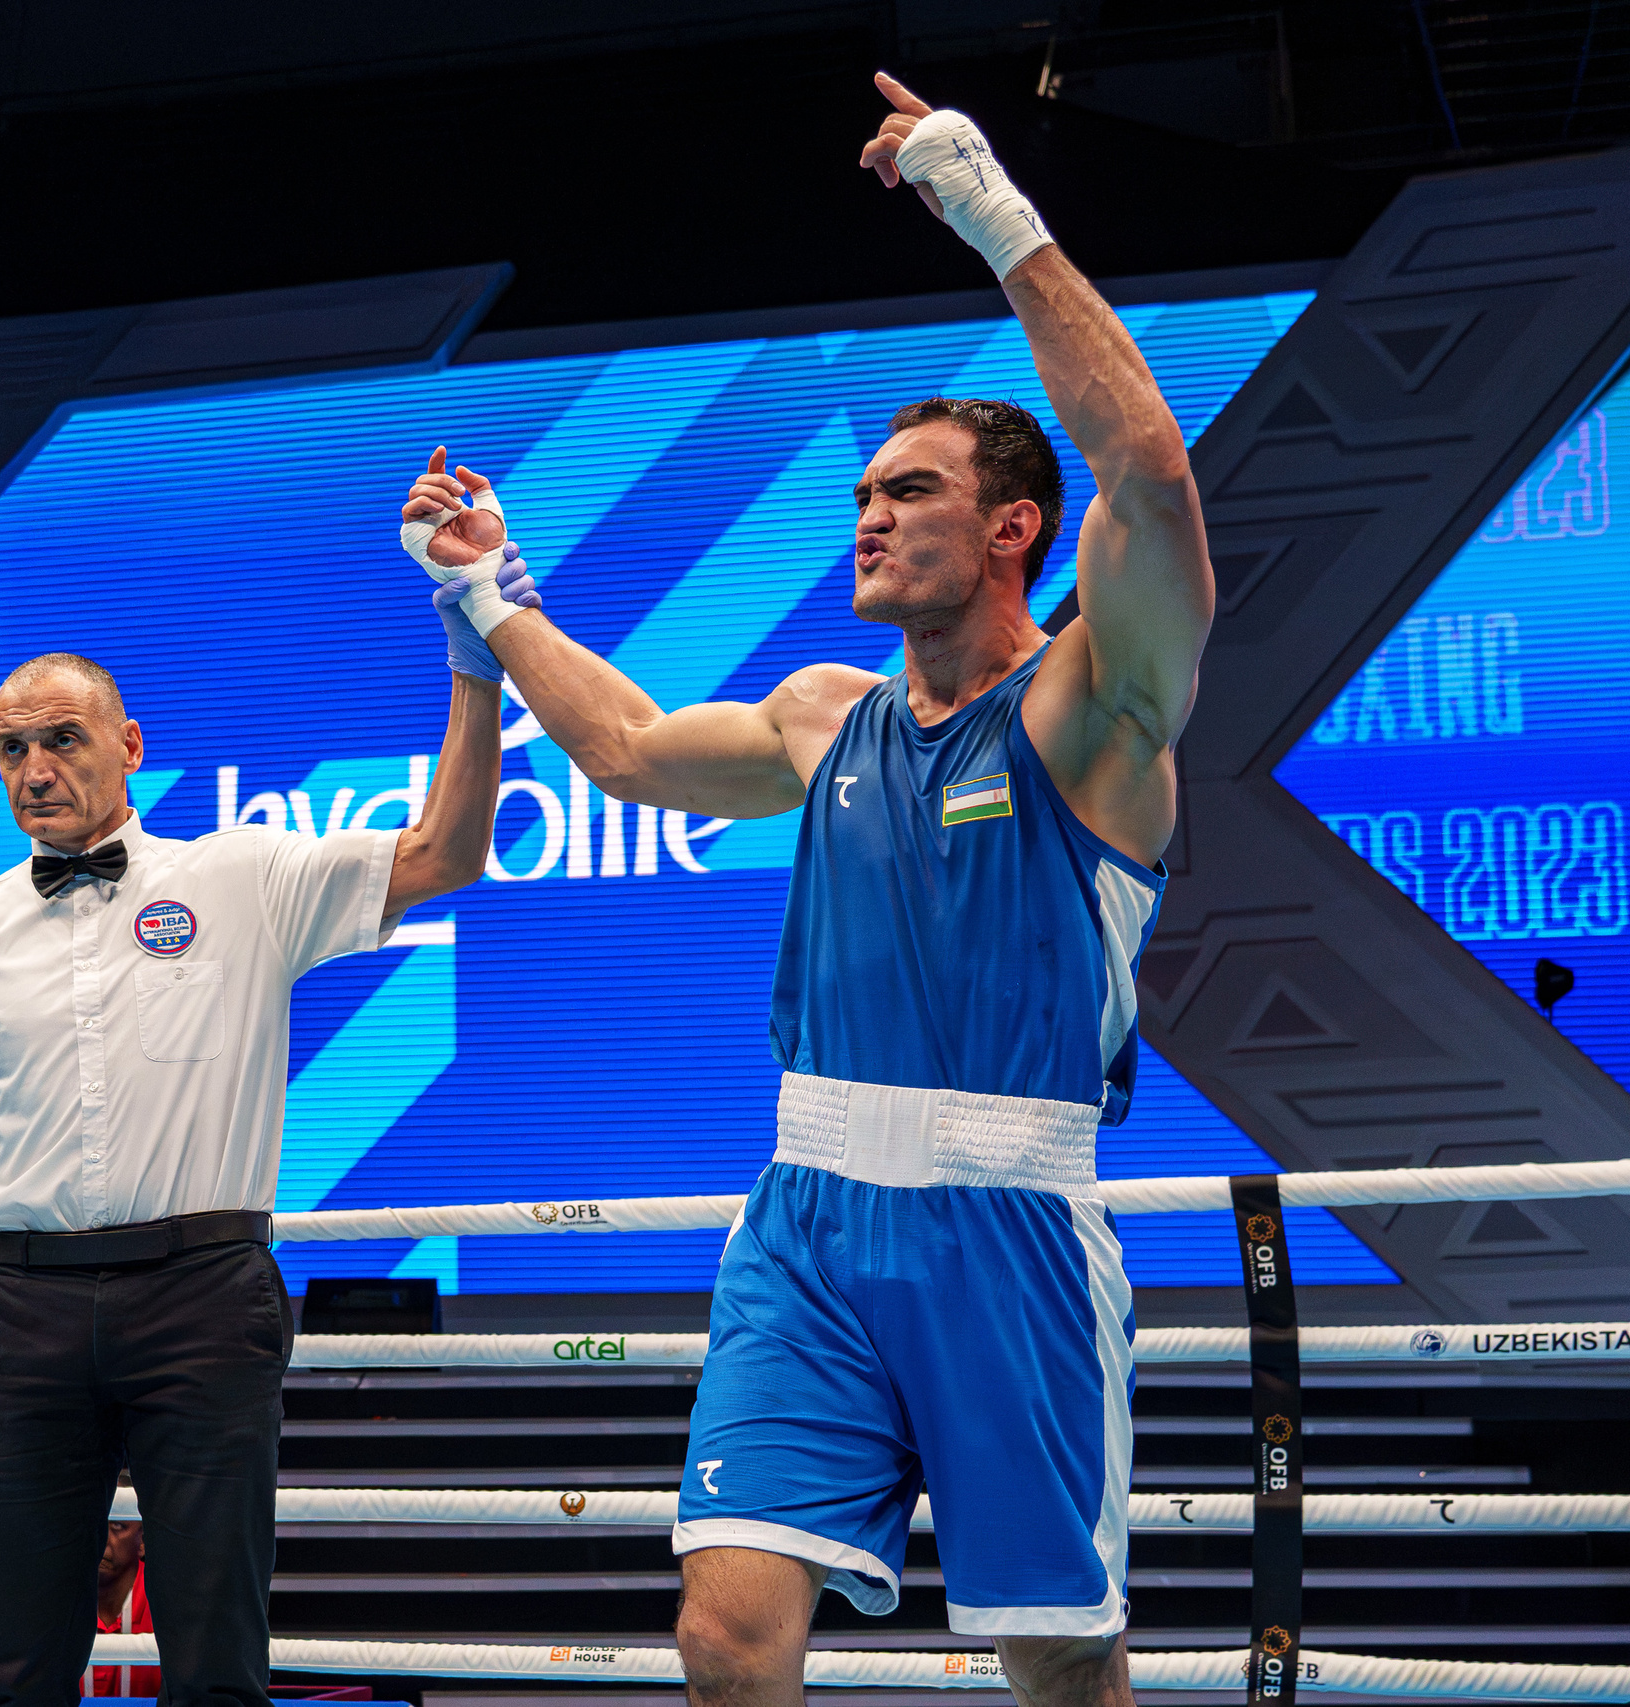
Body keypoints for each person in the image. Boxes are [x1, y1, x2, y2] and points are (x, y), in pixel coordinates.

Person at [402, 73, 1212, 1707]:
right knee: (726, 1632)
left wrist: (982, 200)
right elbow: (624, 744)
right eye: (862, 494)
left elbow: (1151, 472)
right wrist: (489, 589)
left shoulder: (1093, 711)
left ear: (1010, 531)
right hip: (809, 1217)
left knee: (1056, 1663)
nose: (870, 513)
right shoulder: (820, 718)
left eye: (908, 489)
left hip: (1015, 1230)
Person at [0, 640, 505, 1707]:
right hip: (26, 1305)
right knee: (17, 1662)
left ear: (129, 748)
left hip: (203, 1294)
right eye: (12, 749)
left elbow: (446, 854)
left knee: (216, 1654)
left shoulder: (238, 874)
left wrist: (472, 651)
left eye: (62, 740)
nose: (35, 769)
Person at [90, 1476, 154, 1701]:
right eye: (97, 1522)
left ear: (144, 1541)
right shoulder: (57, 1595)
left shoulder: (164, 1599)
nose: (102, 1537)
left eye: (117, 1525)